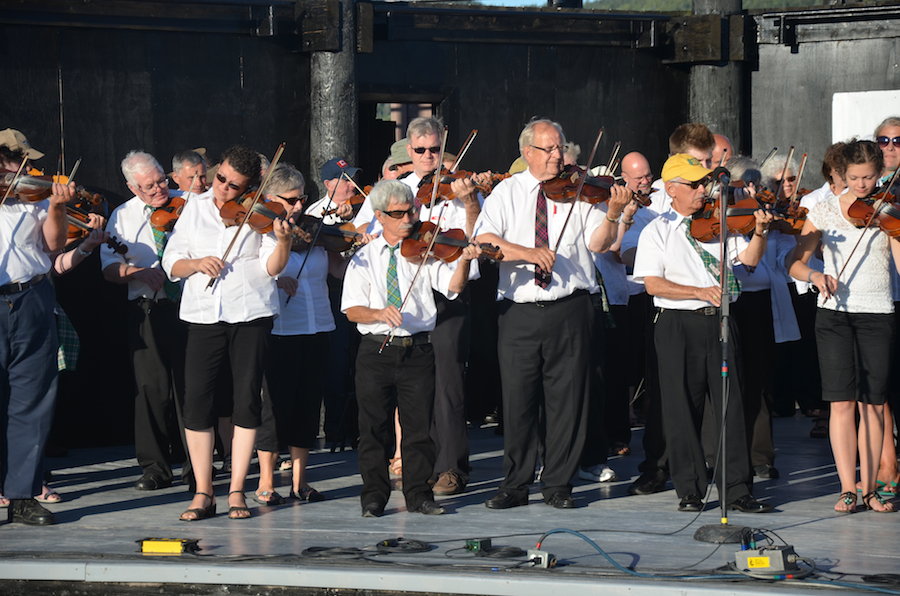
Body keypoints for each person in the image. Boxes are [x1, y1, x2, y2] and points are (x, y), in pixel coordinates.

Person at [474, 118, 630, 509]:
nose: (559, 156)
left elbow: (599, 243)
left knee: (568, 400)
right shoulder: (508, 192)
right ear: (528, 152)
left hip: (571, 308)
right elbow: (485, 239)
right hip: (520, 311)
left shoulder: (580, 191)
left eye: (560, 147)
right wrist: (527, 253)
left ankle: (559, 483)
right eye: (550, 149)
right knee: (518, 401)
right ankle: (515, 484)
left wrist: (612, 214)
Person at [632, 153, 775, 513]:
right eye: (694, 184)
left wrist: (760, 231)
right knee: (681, 408)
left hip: (721, 320)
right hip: (677, 323)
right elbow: (652, 284)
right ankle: (690, 489)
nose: (702, 190)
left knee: (731, 404)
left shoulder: (721, 221)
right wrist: (698, 291)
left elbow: (750, 260)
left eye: (704, 183)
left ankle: (737, 489)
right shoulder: (657, 230)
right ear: (671, 189)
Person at [162, 145, 293, 521]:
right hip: (203, 315)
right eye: (219, 177)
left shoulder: (262, 212)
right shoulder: (194, 207)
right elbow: (171, 261)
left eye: (233, 186)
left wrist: (284, 240)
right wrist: (195, 263)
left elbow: (273, 268)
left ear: (249, 188)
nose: (221, 188)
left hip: (250, 313)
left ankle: (237, 490)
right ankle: (204, 491)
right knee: (196, 402)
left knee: (246, 400)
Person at [341, 179, 480, 517]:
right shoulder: (364, 257)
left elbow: (453, 287)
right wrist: (378, 313)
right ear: (379, 216)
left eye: (411, 212)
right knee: (373, 428)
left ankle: (419, 495)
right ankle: (373, 496)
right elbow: (352, 310)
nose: (408, 220)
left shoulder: (423, 251)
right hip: (375, 349)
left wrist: (463, 260)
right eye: (398, 214)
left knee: (418, 429)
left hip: (417, 349)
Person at [787, 140, 900, 513]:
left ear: (880, 173)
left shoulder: (888, 211)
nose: (862, 185)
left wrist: (896, 232)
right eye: (854, 178)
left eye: (869, 177)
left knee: (873, 404)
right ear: (842, 175)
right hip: (833, 314)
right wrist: (815, 275)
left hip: (877, 312)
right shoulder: (823, 210)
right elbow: (795, 262)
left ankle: (871, 489)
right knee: (840, 403)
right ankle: (848, 488)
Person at [621, 124, 716, 497]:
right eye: (698, 162)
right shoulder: (655, 201)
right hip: (664, 305)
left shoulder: (709, 195)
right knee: (664, 392)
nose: (705, 171)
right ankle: (657, 467)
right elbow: (629, 251)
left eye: (708, 163)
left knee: (712, 393)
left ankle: (713, 465)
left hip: (709, 305)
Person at [252, 164, 344, 504]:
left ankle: (300, 482)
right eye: (291, 200)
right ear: (271, 199)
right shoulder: (262, 233)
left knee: (308, 403)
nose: (299, 206)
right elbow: (264, 270)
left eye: (302, 198)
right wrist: (278, 280)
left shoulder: (314, 231)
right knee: (276, 406)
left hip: (318, 325)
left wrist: (357, 247)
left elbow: (338, 270)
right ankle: (265, 481)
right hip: (281, 329)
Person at [101, 151, 192, 492]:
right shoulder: (122, 217)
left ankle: (195, 465)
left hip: (190, 307)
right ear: (132, 187)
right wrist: (137, 272)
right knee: (150, 390)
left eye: (161, 181)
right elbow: (109, 269)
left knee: (190, 388)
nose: (159, 189)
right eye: (149, 186)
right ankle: (155, 467)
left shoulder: (191, 203)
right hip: (147, 308)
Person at [0, 129, 75, 525]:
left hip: (31, 296)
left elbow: (53, 245)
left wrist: (57, 207)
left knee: (32, 399)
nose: (26, 171)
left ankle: (22, 496)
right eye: (19, 162)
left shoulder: (35, 197)